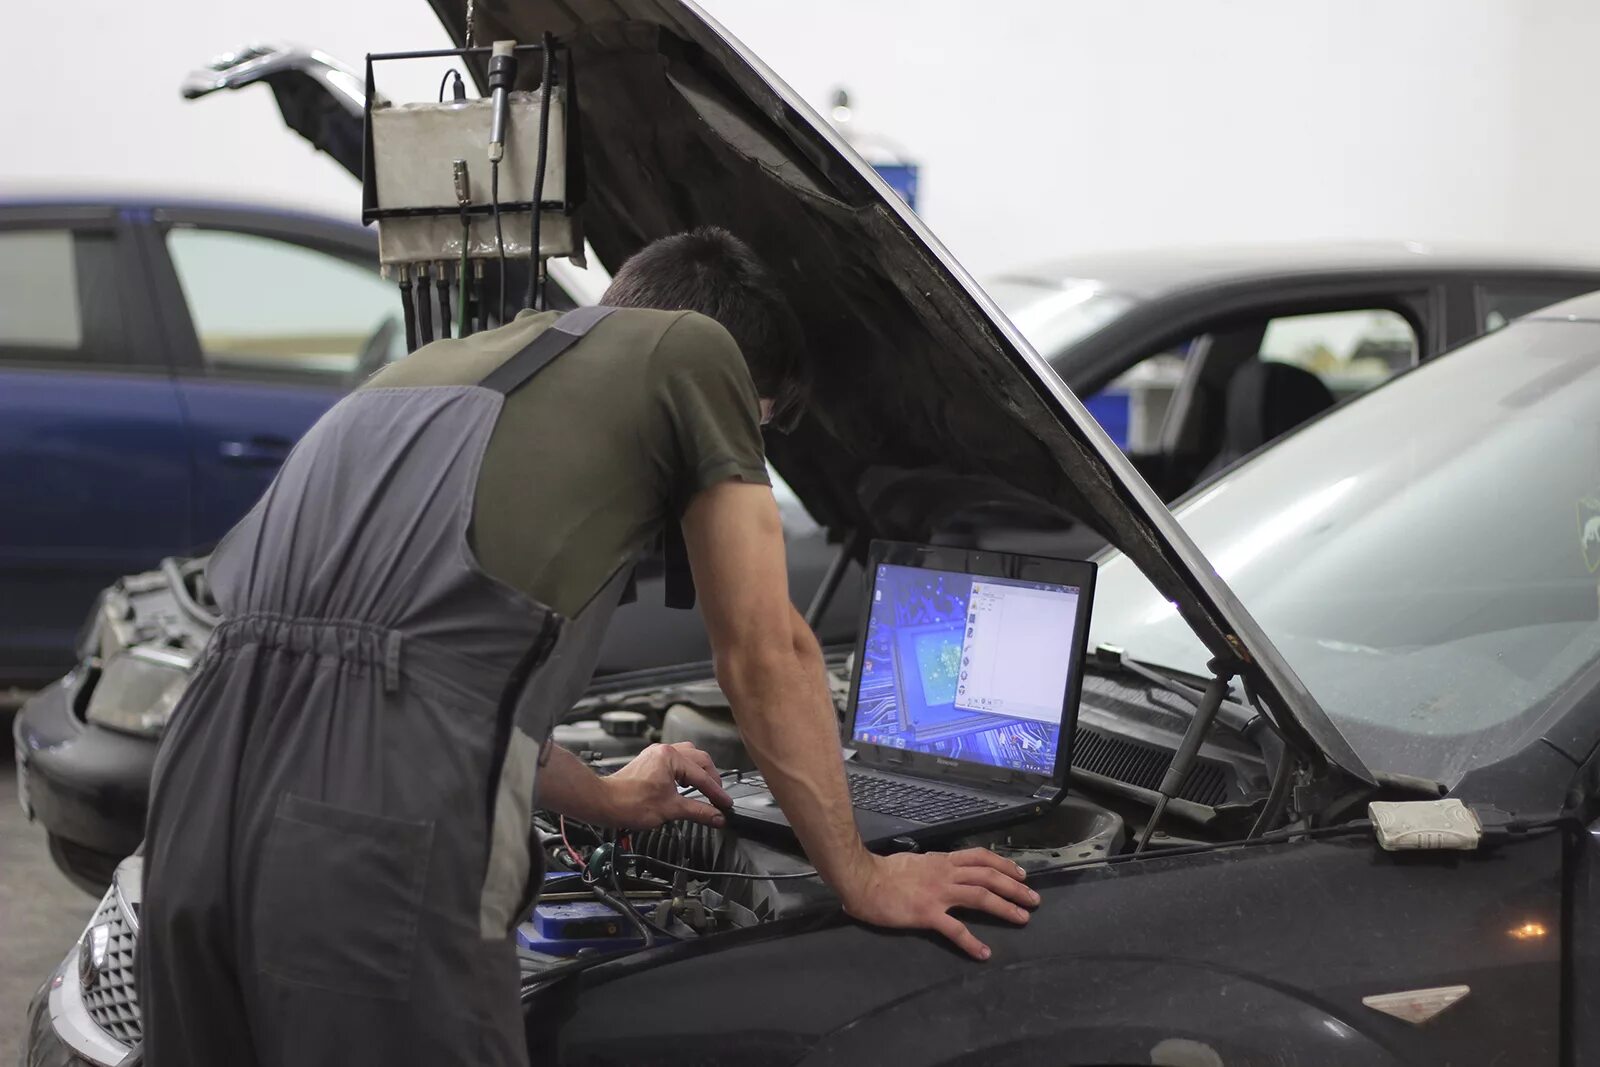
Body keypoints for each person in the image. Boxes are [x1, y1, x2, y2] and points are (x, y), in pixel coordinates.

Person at [138, 228, 1037, 1067]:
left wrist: (603, 793)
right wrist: (862, 872)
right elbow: (767, 652)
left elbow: (405, 679)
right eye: (755, 431)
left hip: (196, 789)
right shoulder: (695, 348)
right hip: (371, 836)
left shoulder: (429, 372)